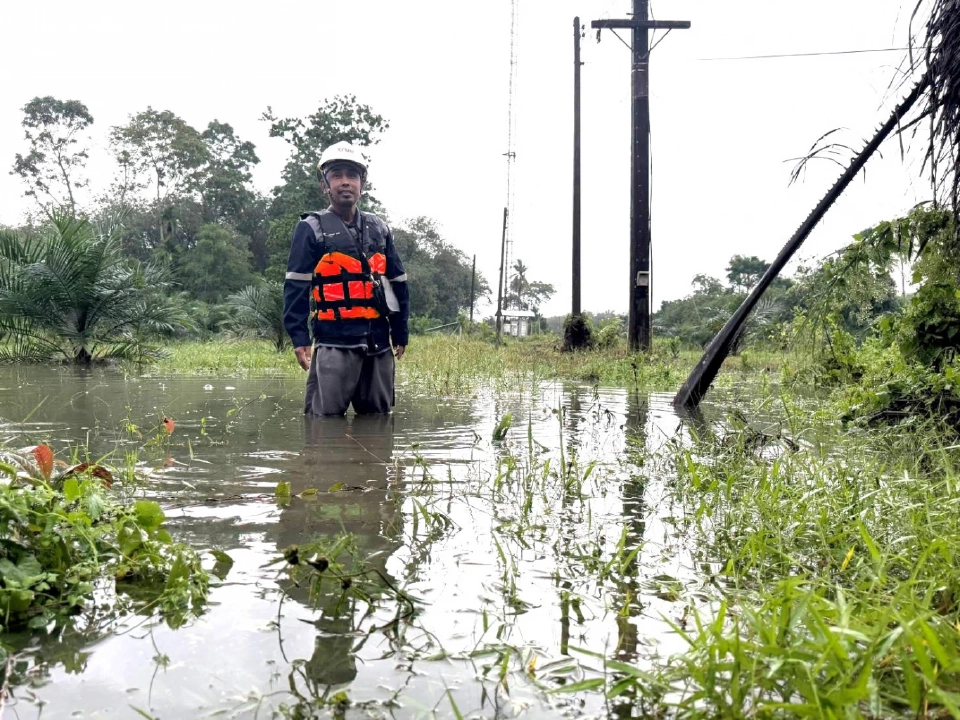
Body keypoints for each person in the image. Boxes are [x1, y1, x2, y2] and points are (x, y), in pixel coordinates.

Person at [283, 141, 410, 416]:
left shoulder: (380, 228)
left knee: (378, 422)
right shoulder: (310, 228)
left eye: (352, 176)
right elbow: (296, 286)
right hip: (333, 344)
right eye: (337, 175)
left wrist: (400, 331)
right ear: (324, 185)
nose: (345, 182)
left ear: (362, 184)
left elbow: (398, 282)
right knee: (322, 425)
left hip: (378, 344)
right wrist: (299, 337)